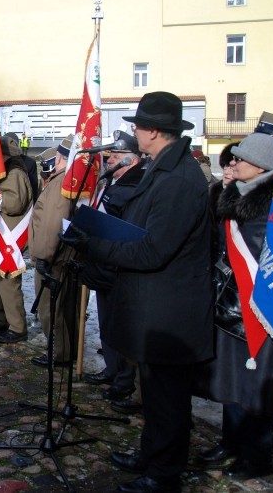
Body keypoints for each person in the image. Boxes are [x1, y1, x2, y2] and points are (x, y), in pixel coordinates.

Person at [63, 91, 214, 493]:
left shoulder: (179, 181)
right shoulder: (163, 169)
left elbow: (153, 250)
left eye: (137, 126)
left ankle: (164, 474)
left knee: (168, 398)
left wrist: (95, 244)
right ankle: (152, 455)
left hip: (171, 309)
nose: (133, 132)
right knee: (156, 394)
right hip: (156, 305)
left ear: (152, 131)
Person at [193, 132, 273, 479]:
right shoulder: (237, 194)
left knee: (256, 392)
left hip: (259, 313)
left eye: (240, 159)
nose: (232, 164)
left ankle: (256, 457)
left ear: (262, 167)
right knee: (231, 384)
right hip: (229, 308)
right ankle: (231, 443)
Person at [81, 131, 145, 412]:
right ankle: (112, 369)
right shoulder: (113, 182)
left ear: (131, 160)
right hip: (103, 263)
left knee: (121, 325)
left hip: (118, 265)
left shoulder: (134, 185)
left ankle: (123, 379)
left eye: (117, 157)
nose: (110, 161)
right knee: (107, 321)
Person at [28, 135, 77, 368]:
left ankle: (59, 353)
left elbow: (51, 223)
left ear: (60, 157)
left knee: (51, 309)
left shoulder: (60, 183)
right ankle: (65, 350)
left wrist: (44, 256)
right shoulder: (66, 180)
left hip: (54, 258)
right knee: (62, 308)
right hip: (62, 255)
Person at [0, 135, 34, 343]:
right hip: (0, 238)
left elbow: (14, 204)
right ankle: (0, 318)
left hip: (9, 239)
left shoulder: (15, 174)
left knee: (9, 285)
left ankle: (17, 327)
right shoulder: (4, 172)